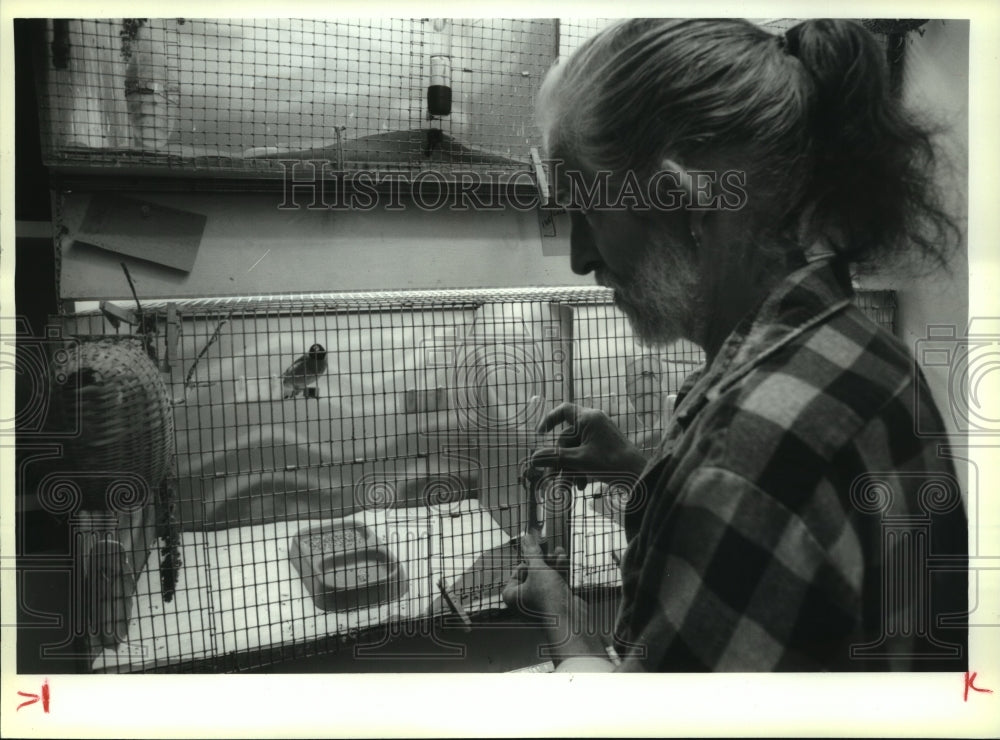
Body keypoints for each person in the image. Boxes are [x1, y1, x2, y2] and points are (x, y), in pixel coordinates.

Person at [501, 18, 968, 672]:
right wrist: (639, 473)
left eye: (587, 211)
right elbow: (782, 547)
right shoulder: (859, 349)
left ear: (683, 201)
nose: (579, 257)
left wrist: (561, 614)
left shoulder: (745, 450)